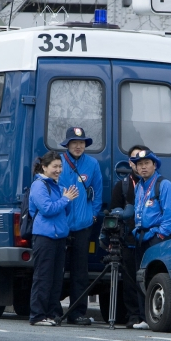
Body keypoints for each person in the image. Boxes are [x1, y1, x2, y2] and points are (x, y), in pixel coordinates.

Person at [58, 127, 103, 326]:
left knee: (80, 271)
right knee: (56, 269)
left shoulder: (92, 164)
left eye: (82, 143)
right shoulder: (58, 163)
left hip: (83, 225)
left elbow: (98, 192)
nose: (78, 146)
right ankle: (53, 310)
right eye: (74, 142)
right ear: (67, 144)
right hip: (60, 224)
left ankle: (77, 313)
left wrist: (93, 215)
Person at [28, 152, 79, 326]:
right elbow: (47, 209)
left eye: (60, 166)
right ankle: (37, 315)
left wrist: (68, 201)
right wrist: (66, 199)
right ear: (44, 167)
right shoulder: (39, 185)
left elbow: (65, 212)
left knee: (56, 278)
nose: (58, 170)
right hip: (44, 237)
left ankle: (51, 313)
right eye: (54, 166)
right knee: (43, 277)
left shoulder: (57, 185)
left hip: (60, 237)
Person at [131, 149, 171, 330]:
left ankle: (154, 316)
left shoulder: (163, 184)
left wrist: (159, 235)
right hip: (141, 237)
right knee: (140, 277)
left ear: (154, 165)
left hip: (155, 238)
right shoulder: (139, 186)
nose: (143, 167)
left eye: (146, 164)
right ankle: (144, 317)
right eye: (139, 164)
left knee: (154, 277)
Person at [110, 144, 149, 328]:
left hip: (148, 239)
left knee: (147, 278)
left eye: (143, 161)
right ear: (130, 163)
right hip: (128, 240)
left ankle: (147, 315)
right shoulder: (123, 186)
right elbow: (113, 211)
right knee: (129, 280)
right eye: (135, 160)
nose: (139, 164)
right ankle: (133, 315)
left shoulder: (155, 184)